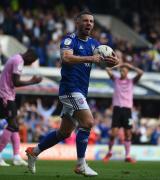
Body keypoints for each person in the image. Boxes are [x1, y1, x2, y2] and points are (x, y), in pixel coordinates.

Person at [25, 11, 118, 176]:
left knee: (64, 132)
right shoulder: (69, 40)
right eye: (85, 21)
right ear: (77, 22)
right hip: (70, 89)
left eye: (91, 21)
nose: (88, 23)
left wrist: (113, 62)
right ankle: (81, 164)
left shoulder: (94, 44)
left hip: (81, 91)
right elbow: (66, 58)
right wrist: (90, 58)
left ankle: (34, 151)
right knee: (88, 122)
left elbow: (104, 60)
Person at [0, 49, 42, 166]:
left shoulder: (15, 58)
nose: (30, 63)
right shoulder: (19, 60)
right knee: (13, 125)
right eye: (31, 61)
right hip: (5, 95)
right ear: (29, 56)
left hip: (7, 94)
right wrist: (32, 81)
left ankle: (16, 156)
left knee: (14, 126)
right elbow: (16, 82)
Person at [103, 62, 143, 163]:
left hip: (127, 110)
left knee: (128, 133)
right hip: (117, 109)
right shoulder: (116, 79)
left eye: (124, 70)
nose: (122, 72)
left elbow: (141, 72)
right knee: (113, 134)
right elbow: (107, 69)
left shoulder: (131, 81)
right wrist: (119, 65)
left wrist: (131, 66)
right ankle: (109, 152)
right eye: (121, 70)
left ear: (128, 72)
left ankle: (127, 156)